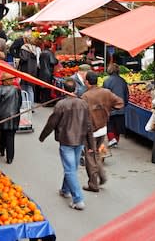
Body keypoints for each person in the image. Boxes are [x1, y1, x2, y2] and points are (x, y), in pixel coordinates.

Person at [39, 78, 95, 211]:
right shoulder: (83, 104)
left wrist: (43, 136)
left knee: (70, 169)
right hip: (80, 139)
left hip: (66, 140)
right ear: (75, 89)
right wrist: (91, 144)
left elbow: (51, 123)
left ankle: (78, 199)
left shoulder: (61, 105)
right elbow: (88, 125)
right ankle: (65, 190)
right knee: (72, 168)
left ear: (63, 89)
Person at [81, 71, 124, 192]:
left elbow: (81, 115)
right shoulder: (106, 93)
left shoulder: (86, 96)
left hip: (91, 132)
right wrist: (107, 110)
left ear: (87, 82)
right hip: (103, 129)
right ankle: (102, 175)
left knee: (90, 157)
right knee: (96, 154)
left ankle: (93, 184)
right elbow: (120, 103)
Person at [103, 63, 129, 148]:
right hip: (120, 107)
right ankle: (115, 141)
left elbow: (104, 94)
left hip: (110, 107)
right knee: (118, 126)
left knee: (109, 124)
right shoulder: (123, 81)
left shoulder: (106, 81)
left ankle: (111, 139)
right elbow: (126, 94)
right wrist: (124, 104)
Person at [18, 35, 40, 106]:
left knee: (23, 88)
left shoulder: (24, 48)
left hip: (25, 70)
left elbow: (24, 58)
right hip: (33, 70)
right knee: (30, 88)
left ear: (25, 40)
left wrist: (19, 60)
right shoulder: (34, 49)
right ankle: (31, 104)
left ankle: (25, 105)